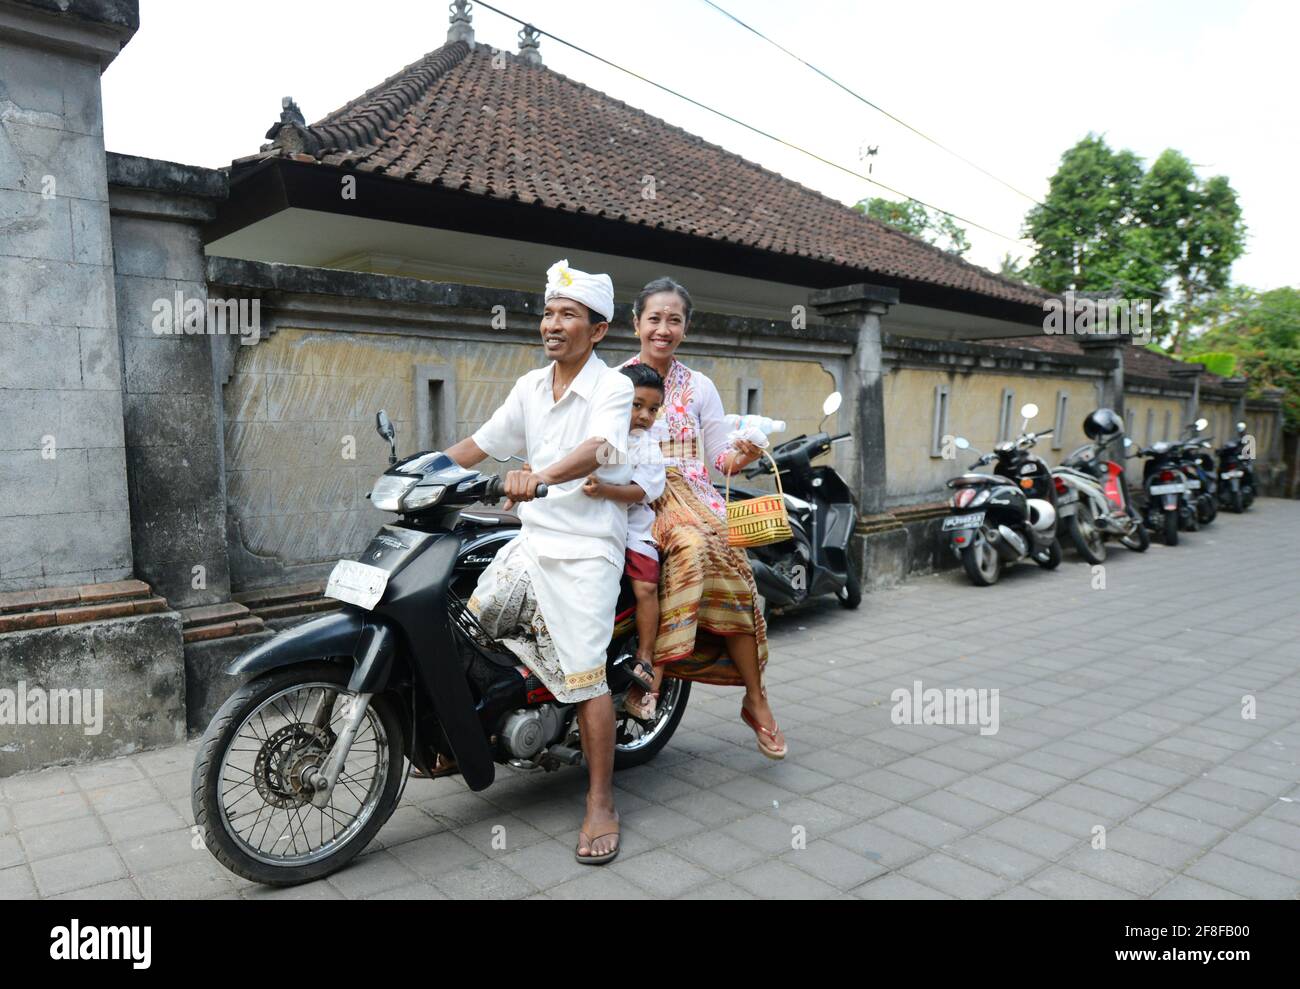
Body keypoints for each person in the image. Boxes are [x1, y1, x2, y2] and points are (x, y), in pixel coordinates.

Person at [443, 259, 633, 864]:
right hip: (531, 544)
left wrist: (540, 475)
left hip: (587, 550)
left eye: (567, 315)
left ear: (597, 330)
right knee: (468, 625)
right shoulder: (529, 386)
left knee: (584, 673)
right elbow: (480, 445)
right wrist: (421, 475)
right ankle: (471, 734)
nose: (553, 324)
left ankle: (600, 799)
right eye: (549, 312)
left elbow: (599, 448)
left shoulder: (615, 387)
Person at [622, 277, 787, 759]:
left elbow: (721, 459)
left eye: (674, 320)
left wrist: (749, 450)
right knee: (693, 547)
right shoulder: (614, 382)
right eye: (654, 318)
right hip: (641, 494)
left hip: (699, 496)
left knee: (733, 566)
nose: (663, 328)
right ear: (636, 323)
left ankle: (755, 699)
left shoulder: (700, 386)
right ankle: (652, 671)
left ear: (686, 328)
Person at [581, 362, 667, 720]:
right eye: (636, 405)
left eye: (652, 409)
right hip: (590, 524)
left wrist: (604, 490)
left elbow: (643, 491)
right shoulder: (596, 433)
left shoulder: (646, 447)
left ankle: (645, 655)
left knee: (645, 586)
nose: (644, 415)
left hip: (633, 529)